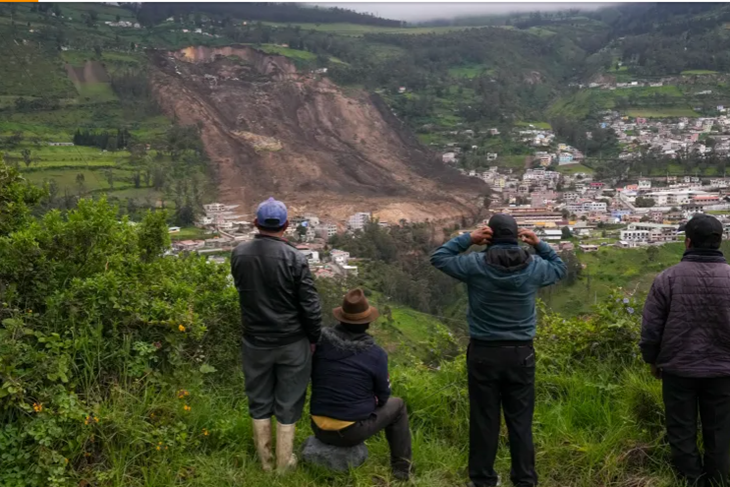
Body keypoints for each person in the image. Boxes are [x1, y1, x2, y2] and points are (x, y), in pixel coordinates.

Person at [431, 214, 566, 487]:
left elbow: (440, 257)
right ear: (517, 236)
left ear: (489, 235)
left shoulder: (474, 265)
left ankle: (482, 480)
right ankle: (525, 480)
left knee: (484, 420)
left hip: (483, 353)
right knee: (520, 421)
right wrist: (540, 244)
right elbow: (560, 268)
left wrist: (468, 239)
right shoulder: (535, 267)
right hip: (521, 354)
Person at [230, 197, 322, 473]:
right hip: (292, 342)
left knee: (258, 398)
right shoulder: (295, 257)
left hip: (255, 341)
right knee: (289, 399)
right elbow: (310, 305)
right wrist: (314, 337)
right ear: (286, 226)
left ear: (256, 223)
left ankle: (266, 463)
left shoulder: (239, 254)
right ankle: (284, 463)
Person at [641, 214, 730, 487]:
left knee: (681, 429)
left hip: (678, 369)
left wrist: (652, 360)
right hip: (724, 371)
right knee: (721, 431)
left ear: (688, 241)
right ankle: (719, 481)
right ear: (718, 242)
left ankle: (690, 480)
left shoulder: (667, 279)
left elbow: (651, 329)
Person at [309, 288, 412, 481]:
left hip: (317, 426)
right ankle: (401, 470)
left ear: (340, 318)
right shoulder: (375, 354)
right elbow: (383, 396)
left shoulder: (321, 342)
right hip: (349, 433)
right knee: (397, 406)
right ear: (368, 323)